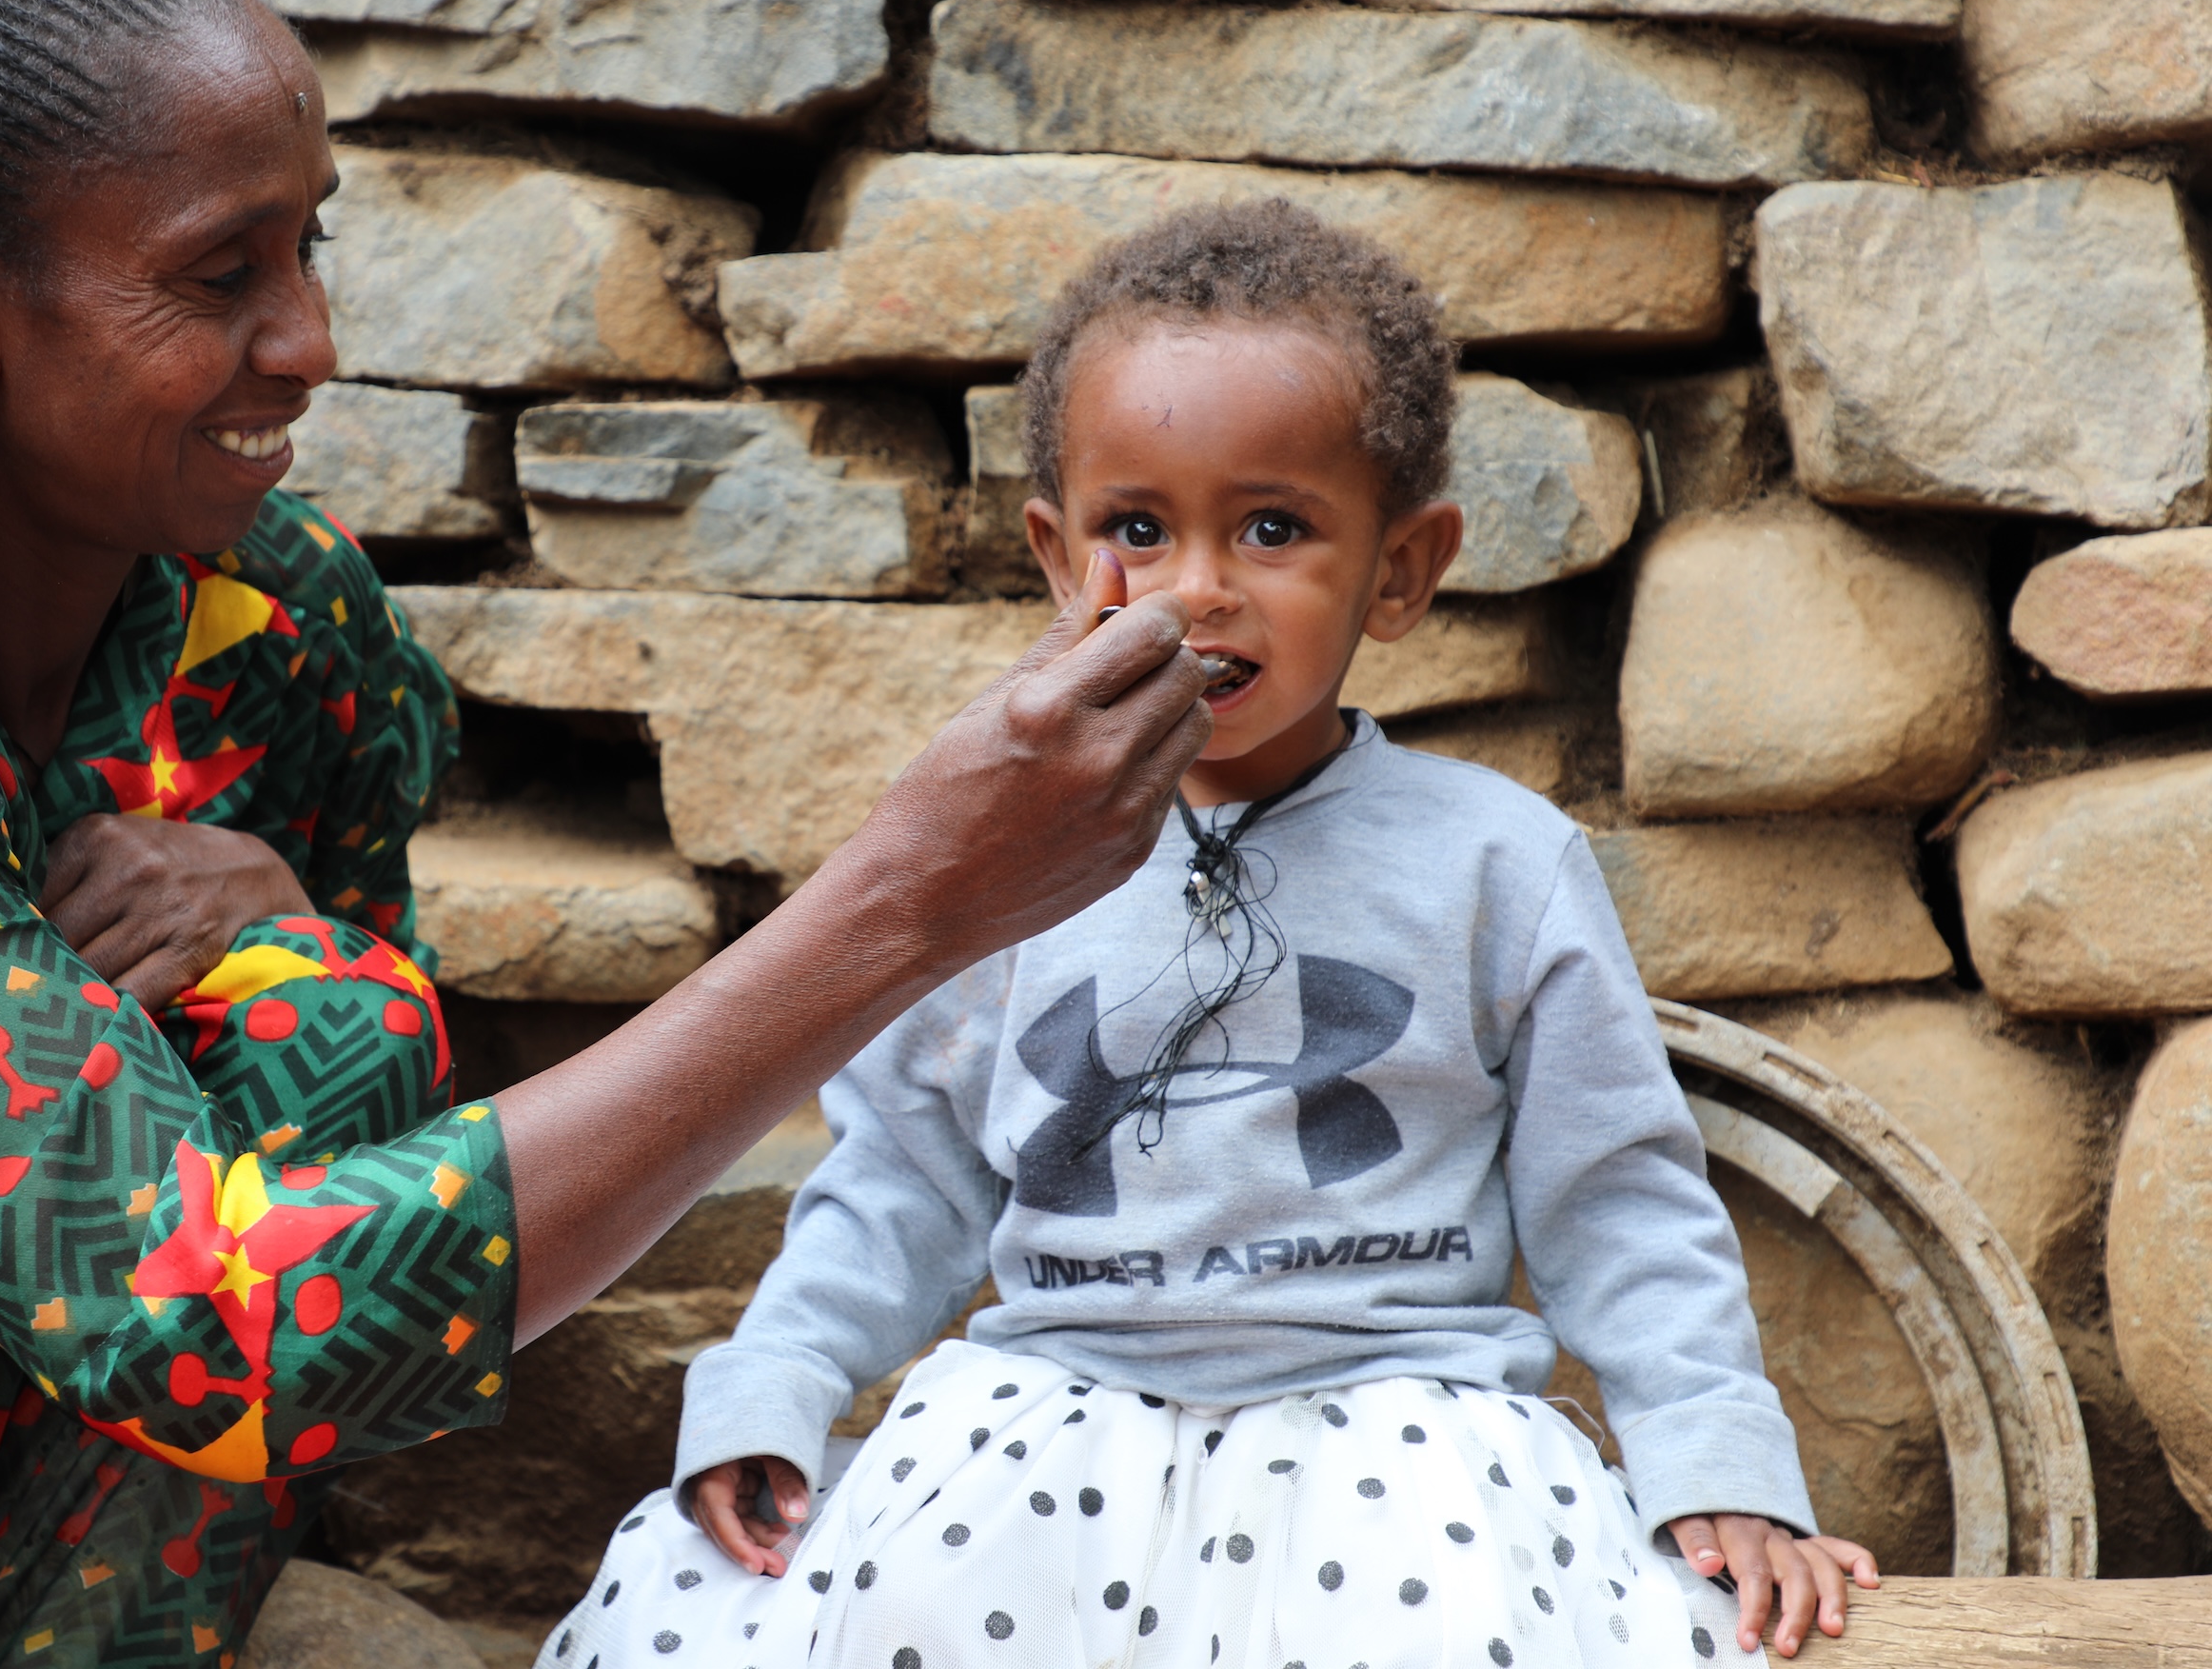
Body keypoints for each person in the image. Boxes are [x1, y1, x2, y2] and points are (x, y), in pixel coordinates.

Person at [0, 0, 1220, 1667]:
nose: (312, 343)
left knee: (317, 1014)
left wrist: (292, 914)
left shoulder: (259, 613)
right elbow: (224, 1323)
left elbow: (371, 1068)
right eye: (218, 274)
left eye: (307, 242)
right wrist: (904, 903)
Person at [546, 202, 1882, 1669]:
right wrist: (774, 1384)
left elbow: (1621, 1200)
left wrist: (1720, 1465)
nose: (1199, 585)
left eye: (1272, 527)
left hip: (1405, 1445)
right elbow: (899, 1177)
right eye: (1138, 528)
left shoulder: (1499, 864)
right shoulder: (996, 858)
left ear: (1401, 569)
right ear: (1062, 559)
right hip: (1046, 1435)